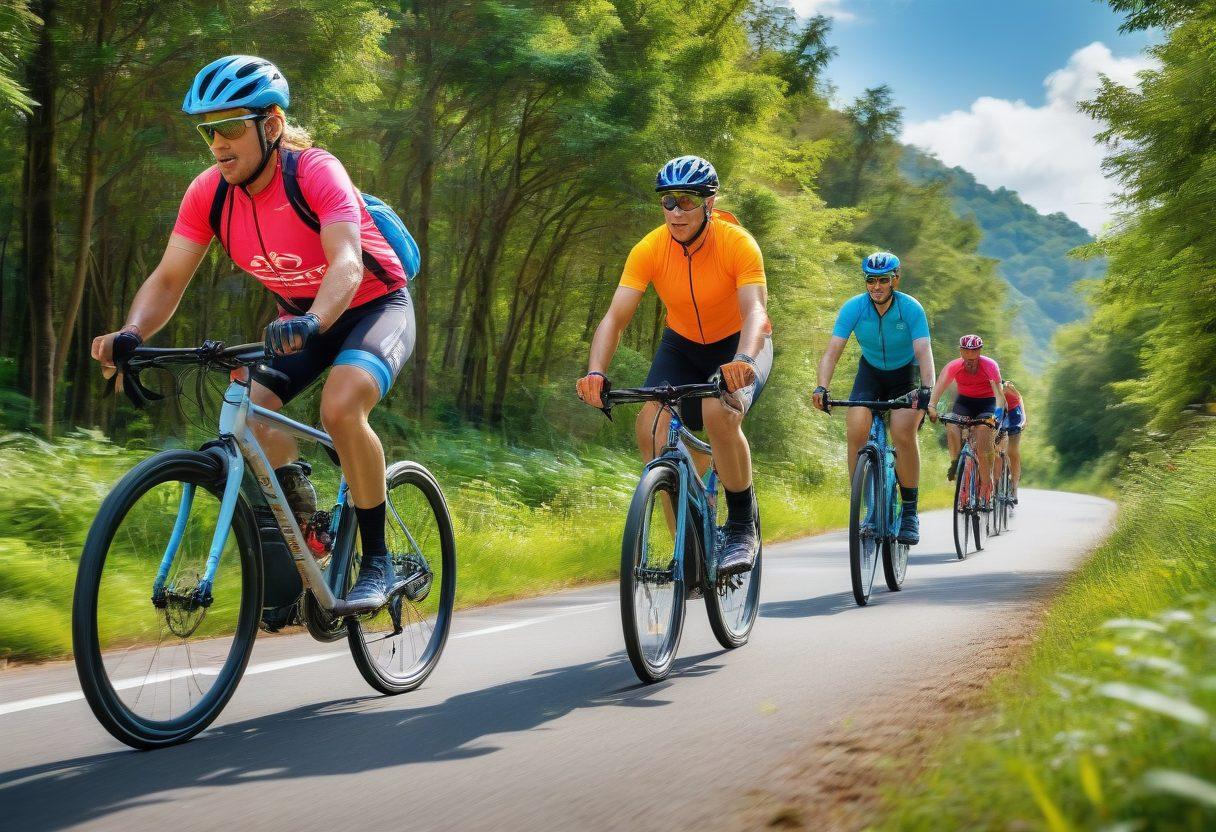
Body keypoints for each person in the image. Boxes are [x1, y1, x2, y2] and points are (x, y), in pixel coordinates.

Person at [90, 55, 414, 612]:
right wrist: (131, 332)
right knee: (252, 418)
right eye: (208, 130)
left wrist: (313, 321)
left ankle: (379, 562)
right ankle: (312, 528)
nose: (218, 144)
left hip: (373, 307)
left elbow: (347, 264)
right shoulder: (209, 193)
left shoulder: (315, 172)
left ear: (271, 125)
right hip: (303, 319)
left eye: (231, 127)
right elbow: (168, 279)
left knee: (340, 410)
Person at [576, 155, 773, 576]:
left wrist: (742, 359)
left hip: (741, 344)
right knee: (650, 426)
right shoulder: (650, 248)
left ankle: (740, 524)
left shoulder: (737, 243)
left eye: (687, 200)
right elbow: (614, 318)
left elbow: (756, 312)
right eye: (668, 201)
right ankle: (688, 547)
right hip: (682, 344)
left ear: (709, 202)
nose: (676, 211)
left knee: (720, 412)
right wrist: (595, 371)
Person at [812, 251, 934, 545]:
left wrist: (928, 389)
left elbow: (924, 352)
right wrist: (821, 387)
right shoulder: (854, 308)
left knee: (903, 433)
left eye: (883, 280)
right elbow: (832, 352)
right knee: (855, 429)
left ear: (895, 280)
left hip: (905, 375)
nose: (876, 286)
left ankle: (909, 513)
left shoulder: (911, 309)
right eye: (871, 280)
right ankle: (865, 507)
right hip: (871, 373)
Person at [926, 334, 1006, 507]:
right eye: (966, 355)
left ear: (980, 352)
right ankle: (958, 468)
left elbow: (1000, 397)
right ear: (961, 352)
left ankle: (986, 486)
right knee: (951, 425)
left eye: (974, 356)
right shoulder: (954, 366)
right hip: (964, 402)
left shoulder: (990, 366)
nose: (970, 361)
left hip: (987, 403)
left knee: (983, 435)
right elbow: (938, 388)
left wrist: (996, 418)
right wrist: (932, 407)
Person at [993, 380, 1026, 504]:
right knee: (994, 449)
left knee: (1012, 452)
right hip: (997, 413)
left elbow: (1019, 398)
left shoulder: (1007, 386)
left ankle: (1014, 488)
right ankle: (995, 484)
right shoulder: (985, 389)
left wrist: (1024, 418)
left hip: (1013, 414)